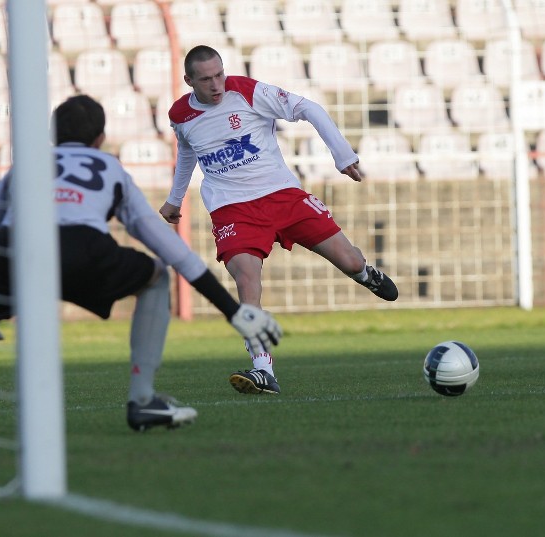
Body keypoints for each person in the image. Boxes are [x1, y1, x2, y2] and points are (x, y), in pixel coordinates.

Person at [0, 94, 283, 440]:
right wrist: (232, 311)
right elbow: (171, 249)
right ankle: (142, 399)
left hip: (18, 251)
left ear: (54, 136)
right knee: (156, 275)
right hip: (83, 251)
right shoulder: (109, 169)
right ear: (100, 139)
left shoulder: (25, 167)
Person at [159, 45, 398, 396]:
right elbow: (188, 152)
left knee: (349, 261)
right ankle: (263, 370)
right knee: (246, 281)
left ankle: (365, 273)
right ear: (189, 80)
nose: (216, 84)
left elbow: (308, 108)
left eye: (219, 74)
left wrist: (342, 155)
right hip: (233, 208)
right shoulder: (180, 114)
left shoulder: (248, 91)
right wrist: (174, 198)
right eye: (206, 79)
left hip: (283, 196)